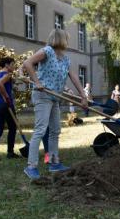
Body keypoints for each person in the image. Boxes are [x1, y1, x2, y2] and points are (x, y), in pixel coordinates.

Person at [21, 29, 88, 180]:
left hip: (54, 98)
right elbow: (28, 62)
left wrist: (83, 96)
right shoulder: (47, 51)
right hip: (42, 95)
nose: (68, 41)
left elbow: (74, 77)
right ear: (61, 39)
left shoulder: (65, 59)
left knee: (55, 130)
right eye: (67, 38)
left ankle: (53, 163)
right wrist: (37, 82)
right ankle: (31, 166)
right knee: (40, 129)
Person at [0, 57, 19, 162]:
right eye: (12, 64)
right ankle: (10, 153)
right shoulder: (8, 75)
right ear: (6, 65)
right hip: (6, 105)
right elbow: (0, 84)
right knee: (13, 128)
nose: (14, 66)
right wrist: (7, 97)